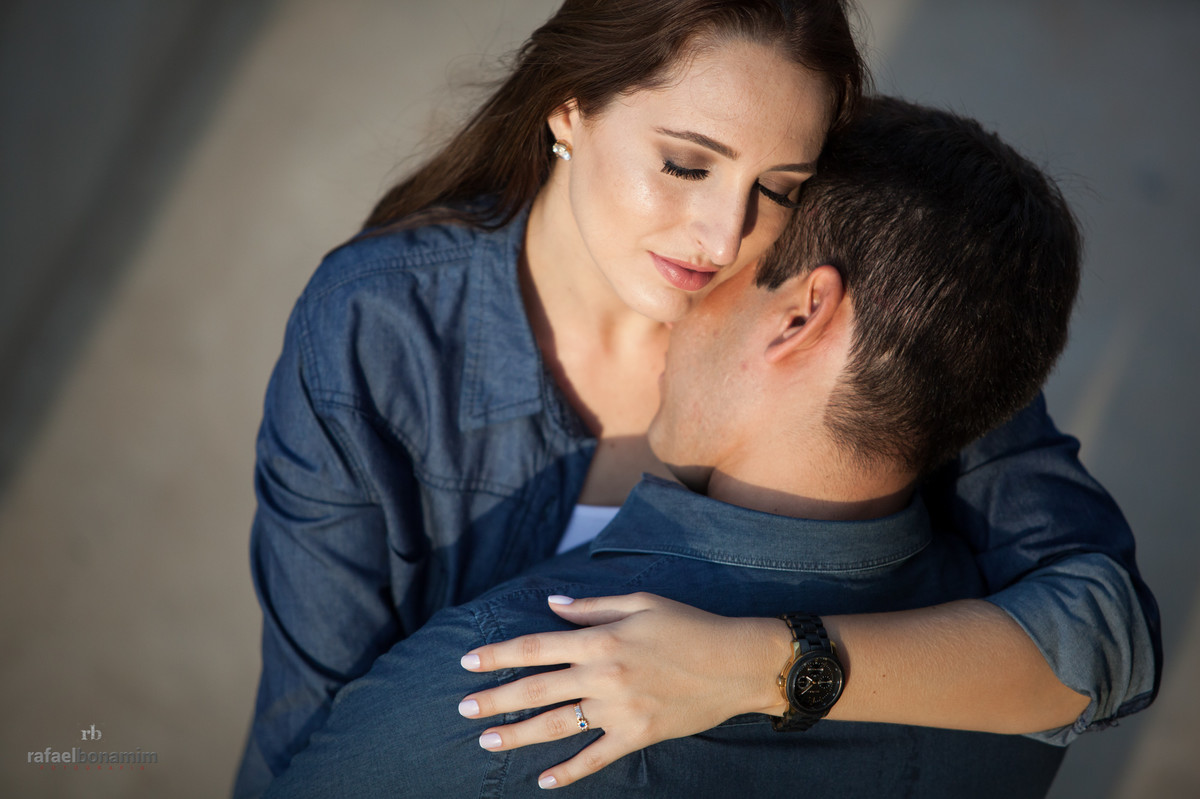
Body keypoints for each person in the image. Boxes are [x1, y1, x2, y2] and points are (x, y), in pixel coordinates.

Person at [235, 1, 1158, 796]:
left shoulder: (842, 307)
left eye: (778, 188)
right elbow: (315, 721)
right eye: (685, 164)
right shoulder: (376, 326)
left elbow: (1104, 631)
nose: (725, 236)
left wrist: (763, 664)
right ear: (568, 108)